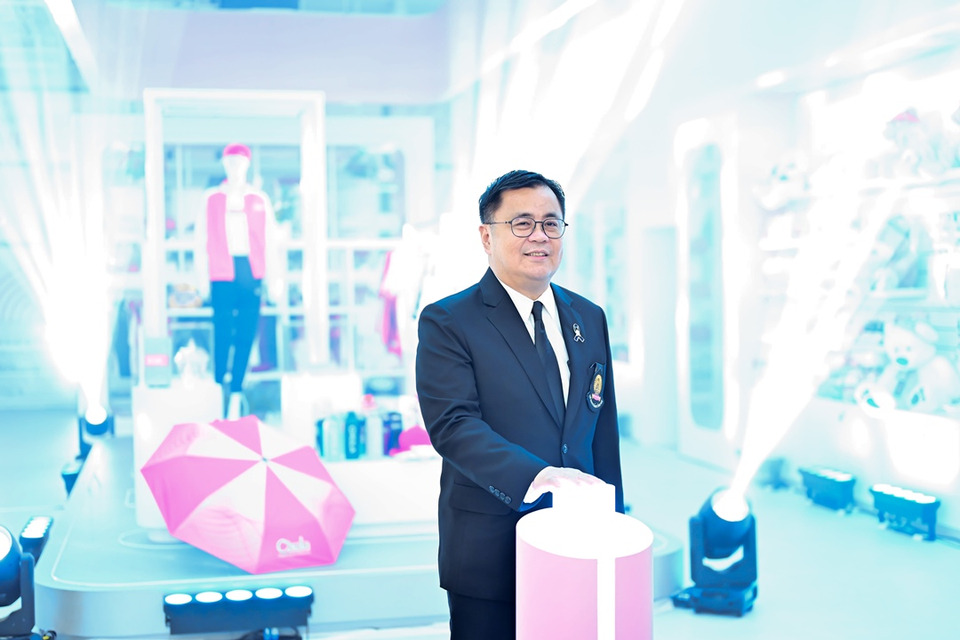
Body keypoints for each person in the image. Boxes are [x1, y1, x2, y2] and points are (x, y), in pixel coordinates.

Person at [415, 169, 624, 639]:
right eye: (522, 223)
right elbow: (453, 425)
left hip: (579, 541)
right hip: (491, 548)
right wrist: (538, 475)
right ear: (486, 237)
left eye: (551, 223)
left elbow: (602, 433)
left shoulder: (589, 317)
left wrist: (614, 523)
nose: (540, 236)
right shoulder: (449, 321)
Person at [195, 143, 281, 419]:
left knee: (246, 332)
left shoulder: (259, 199)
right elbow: (200, 240)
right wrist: (201, 280)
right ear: (224, 164)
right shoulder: (211, 199)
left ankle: (236, 389)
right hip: (221, 270)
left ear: (247, 165)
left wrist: (275, 281)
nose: (235, 167)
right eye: (230, 162)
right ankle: (219, 383)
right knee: (222, 330)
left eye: (240, 162)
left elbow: (271, 241)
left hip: (250, 270)